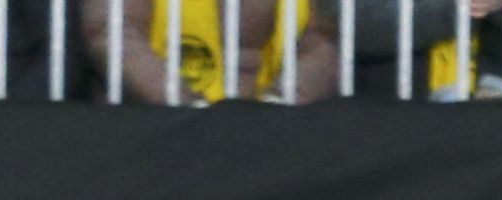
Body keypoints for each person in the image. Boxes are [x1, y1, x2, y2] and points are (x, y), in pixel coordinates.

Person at [83, 0, 338, 103]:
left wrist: (280, 104)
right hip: (155, 125)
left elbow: (321, 45)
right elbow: (113, 33)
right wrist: (183, 104)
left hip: (275, 130)